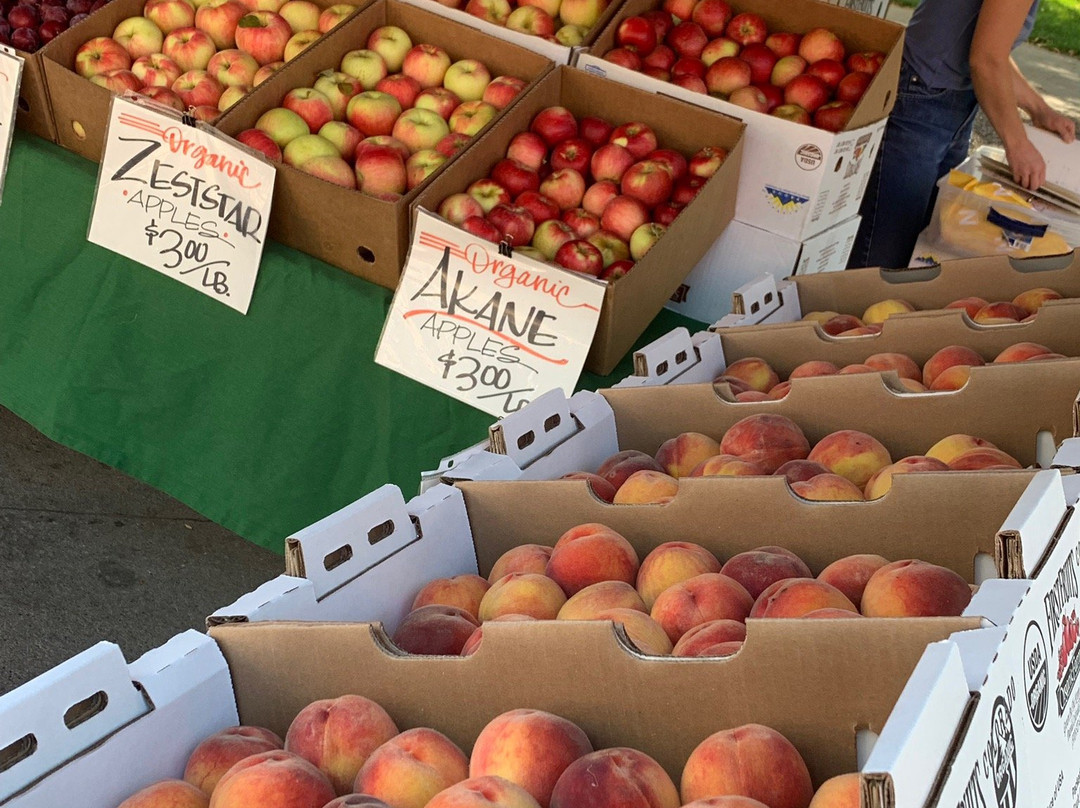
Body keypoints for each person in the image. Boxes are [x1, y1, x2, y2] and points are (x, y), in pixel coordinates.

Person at [849, 0, 1076, 269]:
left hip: (947, 97)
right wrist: (1018, 144)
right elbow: (986, 60)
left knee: (924, 250)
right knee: (884, 256)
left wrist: (1039, 109)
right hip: (924, 97)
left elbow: (992, 49)